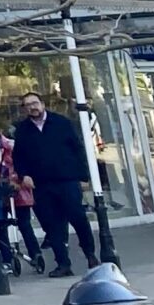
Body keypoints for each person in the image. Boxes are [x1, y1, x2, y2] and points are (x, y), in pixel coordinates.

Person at [10, 91, 98, 276]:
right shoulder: (23, 130)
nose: (32, 107)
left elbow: (78, 149)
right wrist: (23, 175)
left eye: (35, 103)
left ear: (42, 103)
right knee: (52, 225)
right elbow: (18, 156)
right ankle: (63, 263)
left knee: (78, 218)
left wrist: (83, 177)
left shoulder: (61, 123)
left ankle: (90, 254)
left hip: (67, 181)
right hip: (42, 185)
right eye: (28, 105)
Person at [0, 122, 45, 273]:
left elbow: (23, 165)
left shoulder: (11, 146)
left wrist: (18, 180)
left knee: (24, 224)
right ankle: (7, 259)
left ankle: (35, 254)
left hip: (16, 189)